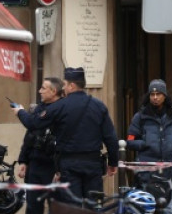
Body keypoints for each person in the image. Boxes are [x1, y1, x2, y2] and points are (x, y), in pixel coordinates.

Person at [12, 67, 119, 199]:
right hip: (93, 165)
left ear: (72, 86)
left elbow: (33, 124)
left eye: (65, 84)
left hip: (69, 166)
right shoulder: (99, 106)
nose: (63, 88)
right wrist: (113, 163)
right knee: (93, 208)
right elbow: (111, 138)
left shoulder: (60, 106)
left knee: (71, 208)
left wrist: (20, 112)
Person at [15, 77, 64, 214]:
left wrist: (20, 112)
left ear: (54, 92)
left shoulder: (60, 110)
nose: (40, 91)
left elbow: (32, 124)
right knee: (33, 208)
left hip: (53, 166)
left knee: (57, 208)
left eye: (44, 88)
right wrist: (23, 160)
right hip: (35, 164)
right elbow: (30, 136)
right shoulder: (39, 109)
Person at [126, 79, 172, 214]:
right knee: (145, 205)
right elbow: (130, 140)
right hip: (147, 167)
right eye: (152, 94)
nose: (155, 98)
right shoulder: (140, 116)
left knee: (169, 207)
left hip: (169, 167)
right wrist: (145, 144)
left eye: (159, 94)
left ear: (165, 96)